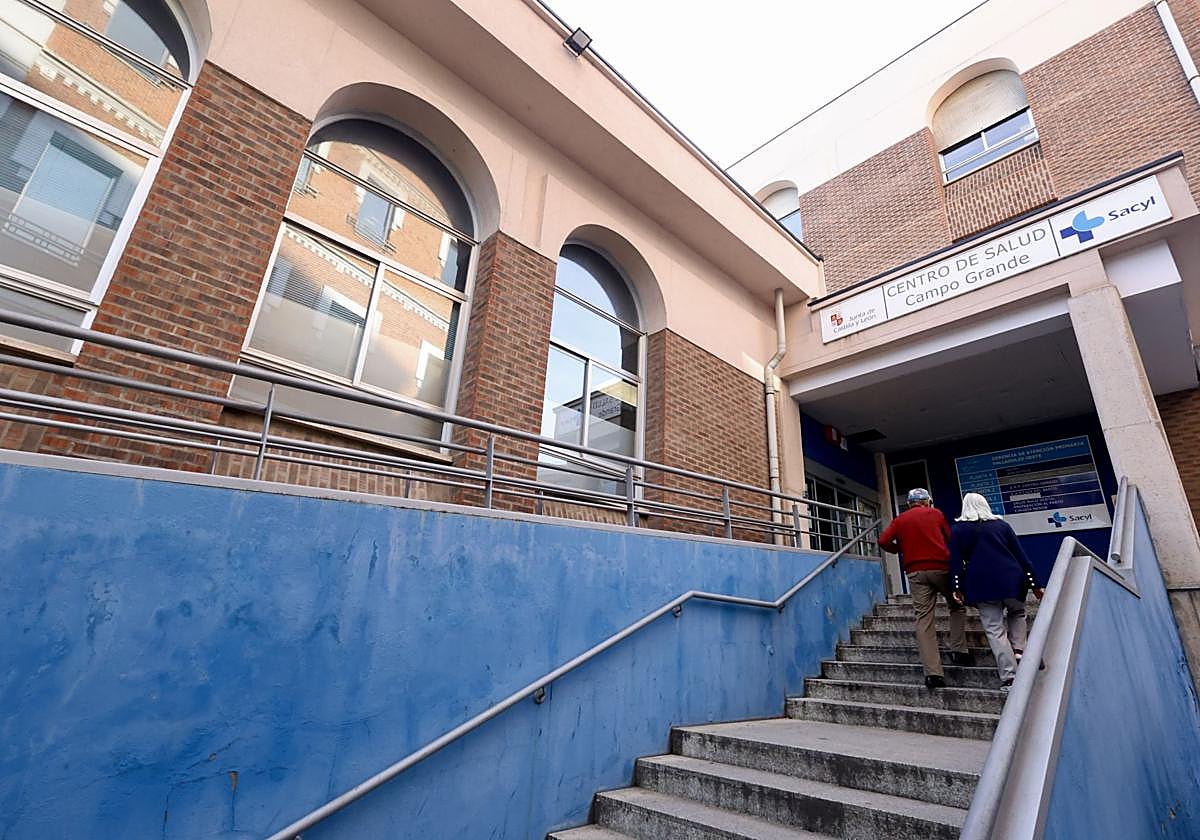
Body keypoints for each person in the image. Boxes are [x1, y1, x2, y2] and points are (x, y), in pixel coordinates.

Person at [878, 488, 972, 689]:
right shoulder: (935, 514)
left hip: (915, 572)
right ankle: (958, 649)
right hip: (941, 568)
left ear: (910, 503)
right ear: (927, 501)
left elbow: (883, 540)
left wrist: (901, 549)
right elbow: (949, 538)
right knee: (957, 606)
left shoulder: (900, 520)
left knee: (924, 619)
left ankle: (933, 674)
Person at [949, 492, 1045, 689]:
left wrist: (956, 586)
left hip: (981, 583)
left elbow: (956, 561)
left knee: (994, 629)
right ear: (985, 505)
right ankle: (1019, 648)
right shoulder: (1002, 526)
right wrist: (1034, 583)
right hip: (1011, 578)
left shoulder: (958, 530)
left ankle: (1010, 676)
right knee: (1018, 612)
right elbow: (1021, 555)